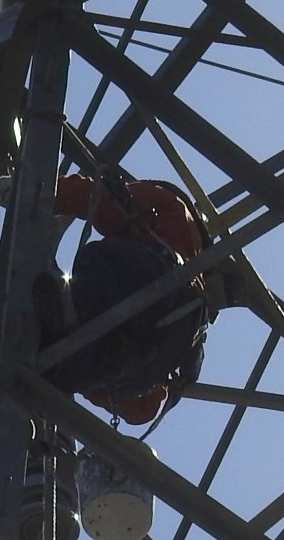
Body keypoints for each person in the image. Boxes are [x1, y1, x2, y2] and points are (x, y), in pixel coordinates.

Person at [37, 169, 216, 425]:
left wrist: (38, 193)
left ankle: (69, 323)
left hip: (148, 283)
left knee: (97, 259)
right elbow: (142, 410)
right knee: (80, 366)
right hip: (139, 356)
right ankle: (64, 355)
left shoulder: (173, 210)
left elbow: (101, 199)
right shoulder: (193, 332)